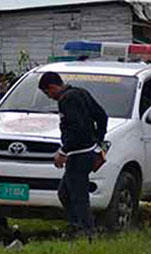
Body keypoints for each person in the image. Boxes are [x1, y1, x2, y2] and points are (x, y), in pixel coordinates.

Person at [38, 71, 108, 238]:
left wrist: (63, 151)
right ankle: (77, 225)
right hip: (88, 152)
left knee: (78, 196)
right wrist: (98, 140)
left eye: (47, 93)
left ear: (53, 87)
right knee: (65, 193)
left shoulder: (66, 100)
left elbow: (75, 129)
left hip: (78, 155)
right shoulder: (81, 93)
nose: (49, 97)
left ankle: (87, 232)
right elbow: (102, 116)